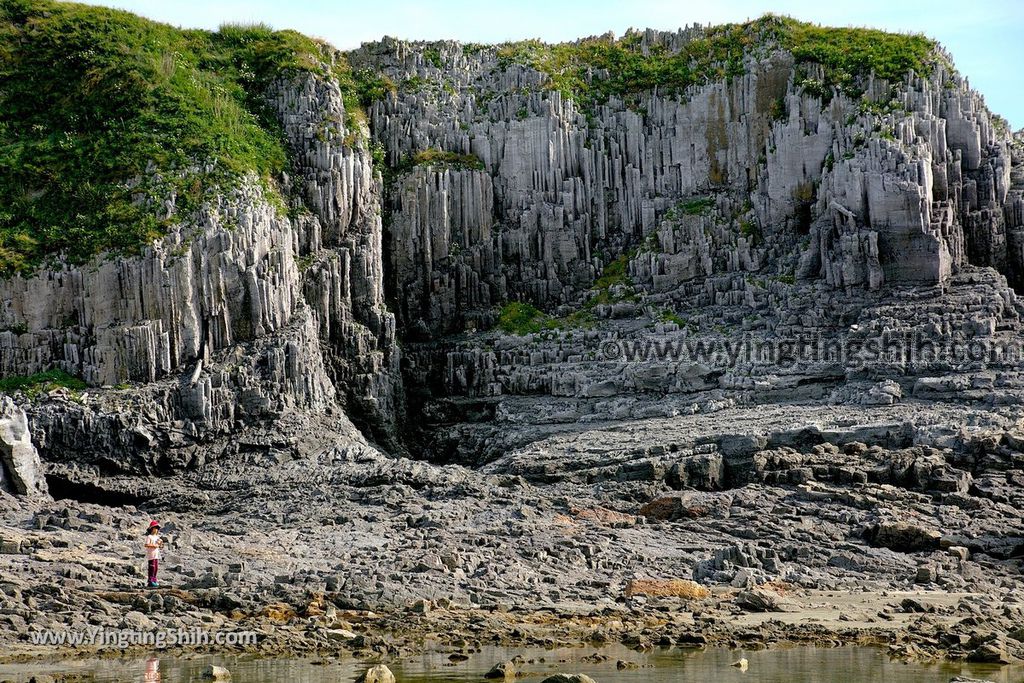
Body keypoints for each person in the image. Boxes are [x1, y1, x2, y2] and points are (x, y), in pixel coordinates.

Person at [144, 520, 163, 588]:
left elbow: (160, 546)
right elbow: (146, 544)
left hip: (156, 555)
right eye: (155, 528)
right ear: (152, 528)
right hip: (151, 555)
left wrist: (160, 543)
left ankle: (154, 580)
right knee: (152, 567)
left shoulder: (157, 537)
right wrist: (154, 545)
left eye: (157, 528)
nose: (156, 530)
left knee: (156, 568)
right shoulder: (149, 536)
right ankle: (150, 581)